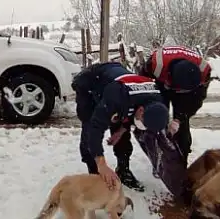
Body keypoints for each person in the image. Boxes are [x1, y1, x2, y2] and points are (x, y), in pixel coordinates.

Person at [73, 62, 170, 192]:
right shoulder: (117, 97)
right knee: (89, 124)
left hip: (119, 85)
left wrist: (120, 130)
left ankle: (123, 170)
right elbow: (95, 129)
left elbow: (130, 116)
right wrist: (101, 163)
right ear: (141, 110)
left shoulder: (158, 100)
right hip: (90, 83)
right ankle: (94, 172)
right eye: (143, 123)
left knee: (122, 131)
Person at [139, 45, 212, 165]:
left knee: (183, 124)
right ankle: (157, 150)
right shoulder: (155, 65)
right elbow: (144, 88)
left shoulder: (204, 71)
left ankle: (182, 157)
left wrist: (179, 119)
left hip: (187, 90)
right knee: (159, 116)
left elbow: (196, 100)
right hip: (160, 83)